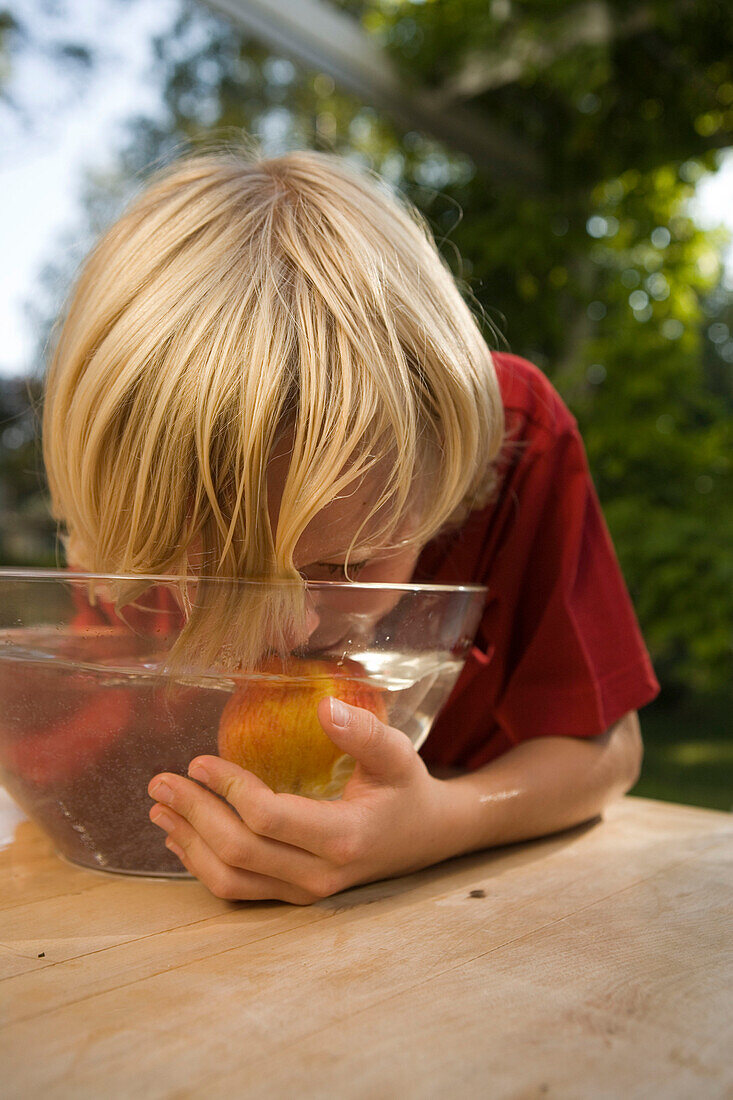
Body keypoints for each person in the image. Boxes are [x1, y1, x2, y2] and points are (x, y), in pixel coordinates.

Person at [43, 149, 659, 904]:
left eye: (347, 565)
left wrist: (446, 822)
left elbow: (610, 747)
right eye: (218, 575)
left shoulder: (511, 437)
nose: (295, 626)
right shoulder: (141, 513)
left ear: (447, 480)